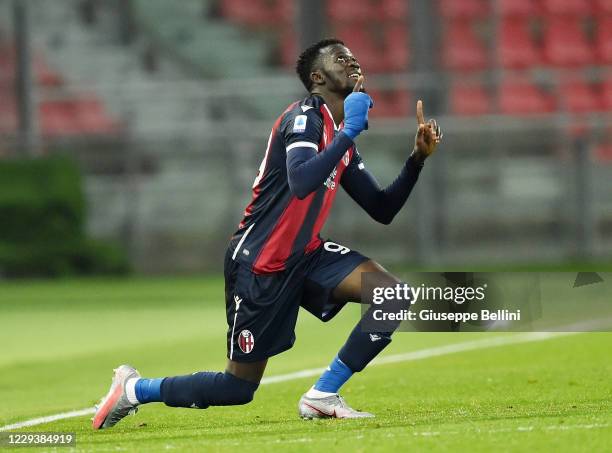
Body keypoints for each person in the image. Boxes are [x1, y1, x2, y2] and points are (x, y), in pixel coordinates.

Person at [92, 37, 442, 429]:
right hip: (261, 263)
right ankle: (135, 389)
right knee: (237, 388)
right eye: (341, 59)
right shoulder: (303, 118)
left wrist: (416, 160)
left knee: (392, 295)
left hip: (305, 254)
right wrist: (350, 132)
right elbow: (301, 181)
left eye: (356, 58)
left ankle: (322, 395)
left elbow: (382, 209)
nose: (353, 63)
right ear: (317, 76)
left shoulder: (339, 134)